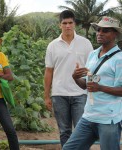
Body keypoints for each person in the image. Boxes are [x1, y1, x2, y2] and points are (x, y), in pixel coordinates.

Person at [63, 16, 122, 150]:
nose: (100, 33)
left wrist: (100, 87)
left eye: (105, 30)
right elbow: (86, 85)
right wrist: (75, 77)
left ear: (115, 34)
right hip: (89, 116)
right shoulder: (93, 54)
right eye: (98, 30)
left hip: (109, 119)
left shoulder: (119, 59)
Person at [44, 10, 93, 147]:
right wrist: (46, 96)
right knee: (64, 131)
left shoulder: (85, 43)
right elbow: (49, 71)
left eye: (70, 23)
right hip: (59, 94)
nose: (67, 26)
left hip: (80, 93)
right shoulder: (52, 45)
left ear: (75, 24)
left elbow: (92, 69)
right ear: (60, 25)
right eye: (64, 23)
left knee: (81, 130)